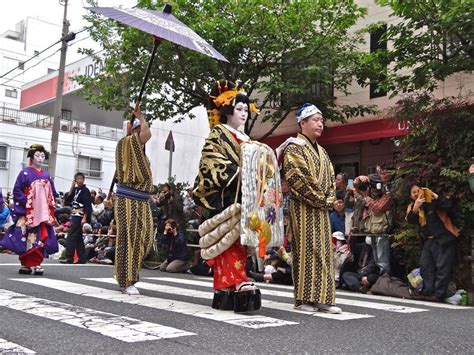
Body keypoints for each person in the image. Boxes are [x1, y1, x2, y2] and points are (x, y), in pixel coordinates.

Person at [193, 79, 260, 310]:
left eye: (246, 109)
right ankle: (235, 282)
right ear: (228, 110)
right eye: (239, 109)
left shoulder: (248, 139)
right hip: (226, 196)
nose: (244, 114)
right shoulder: (218, 135)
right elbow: (210, 163)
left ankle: (227, 288)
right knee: (227, 241)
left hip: (244, 197)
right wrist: (238, 171)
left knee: (239, 242)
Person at [281, 103, 341, 314]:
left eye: (321, 120)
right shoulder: (294, 147)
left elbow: (332, 180)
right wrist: (322, 199)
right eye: (315, 120)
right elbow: (298, 179)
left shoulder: (323, 152)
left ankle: (324, 298)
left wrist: (329, 199)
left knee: (324, 251)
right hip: (304, 208)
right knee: (305, 250)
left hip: (321, 209)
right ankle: (303, 298)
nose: (320, 124)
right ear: (302, 123)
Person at [112, 105, 154, 295]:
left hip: (141, 201)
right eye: (136, 128)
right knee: (130, 240)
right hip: (128, 201)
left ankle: (129, 276)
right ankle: (127, 279)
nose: (140, 131)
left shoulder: (139, 151)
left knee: (144, 239)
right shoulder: (126, 144)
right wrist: (141, 118)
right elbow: (147, 134)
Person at [0, 144, 58, 275]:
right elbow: (17, 191)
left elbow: (52, 193)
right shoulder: (24, 173)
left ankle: (37, 263)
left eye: (42, 156)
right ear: (31, 157)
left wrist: (46, 205)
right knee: (24, 236)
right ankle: (26, 264)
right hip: (28, 210)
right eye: (37, 155)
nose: (40, 158)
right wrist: (29, 202)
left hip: (41, 212)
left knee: (39, 237)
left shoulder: (46, 175)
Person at [405, 184, 459, 301]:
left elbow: (448, 206)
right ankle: (428, 291)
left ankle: (438, 294)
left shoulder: (433, 202)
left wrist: (434, 195)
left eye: (417, 191)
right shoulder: (414, 206)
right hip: (427, 241)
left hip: (442, 239)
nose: (416, 194)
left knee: (442, 267)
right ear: (410, 195)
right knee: (425, 266)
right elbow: (410, 220)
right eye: (413, 192)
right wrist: (415, 207)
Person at [361, 174, 393, 276]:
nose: (374, 189)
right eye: (371, 186)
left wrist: (366, 197)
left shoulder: (387, 196)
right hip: (373, 233)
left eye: (375, 185)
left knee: (383, 263)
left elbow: (378, 209)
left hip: (382, 234)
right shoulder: (370, 198)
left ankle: (385, 283)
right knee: (376, 261)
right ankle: (378, 283)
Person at [63, 172, 92, 264]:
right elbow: (67, 200)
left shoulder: (85, 190)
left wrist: (85, 217)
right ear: (75, 180)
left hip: (80, 215)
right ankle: (82, 258)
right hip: (74, 213)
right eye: (78, 179)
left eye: (81, 179)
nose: (79, 180)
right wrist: (72, 187)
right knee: (78, 237)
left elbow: (87, 204)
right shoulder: (75, 190)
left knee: (71, 235)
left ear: (83, 180)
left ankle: (69, 257)